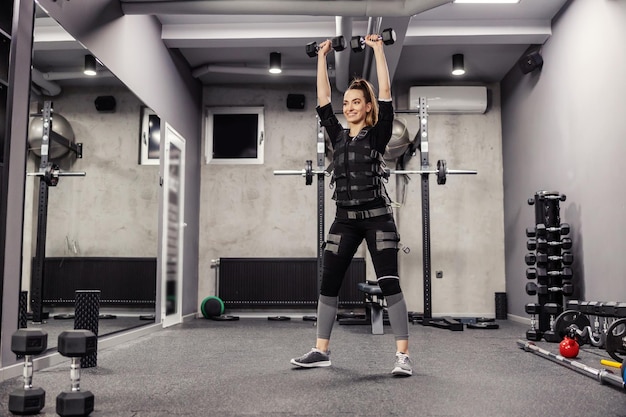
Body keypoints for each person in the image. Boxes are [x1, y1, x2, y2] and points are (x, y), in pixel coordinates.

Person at [290, 34, 412, 376]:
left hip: (377, 220)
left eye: (356, 102)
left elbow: (386, 94)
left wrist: (378, 51)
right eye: (347, 103)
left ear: (367, 107)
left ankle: (402, 356)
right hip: (344, 221)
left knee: (389, 283)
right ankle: (321, 350)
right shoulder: (338, 136)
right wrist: (321, 58)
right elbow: (322, 100)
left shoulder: (378, 133)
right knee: (328, 284)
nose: (349, 107)